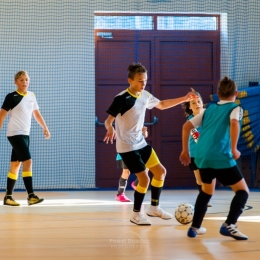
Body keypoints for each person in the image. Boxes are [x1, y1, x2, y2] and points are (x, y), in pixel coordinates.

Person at [104, 62, 198, 225]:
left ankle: (154, 208)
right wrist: (110, 128)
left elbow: (161, 105)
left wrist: (184, 98)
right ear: (130, 81)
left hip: (141, 143)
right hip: (127, 147)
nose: (143, 83)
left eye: (145, 80)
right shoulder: (121, 99)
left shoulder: (145, 95)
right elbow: (108, 120)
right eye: (140, 80)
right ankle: (135, 214)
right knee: (144, 180)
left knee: (160, 172)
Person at [179, 76, 249, 240]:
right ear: (236, 93)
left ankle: (194, 227)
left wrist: (185, 151)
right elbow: (234, 124)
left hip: (202, 156)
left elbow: (186, 126)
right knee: (243, 192)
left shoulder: (209, 109)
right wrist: (234, 148)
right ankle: (229, 224)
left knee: (206, 191)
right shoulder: (235, 108)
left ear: (218, 93)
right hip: (220, 155)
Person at [0, 71, 51, 206]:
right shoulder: (11, 97)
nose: (24, 82)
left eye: (26, 80)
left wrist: (45, 127)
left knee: (16, 165)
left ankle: (8, 197)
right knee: (28, 161)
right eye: (21, 80)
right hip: (14, 134)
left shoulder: (31, 96)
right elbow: (2, 116)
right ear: (16, 82)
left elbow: (36, 114)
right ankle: (31, 196)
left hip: (25, 135)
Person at [181, 89, 212, 207]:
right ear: (189, 107)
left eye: (199, 101)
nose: (197, 104)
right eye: (193, 103)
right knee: (199, 177)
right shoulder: (190, 120)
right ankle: (204, 198)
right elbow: (197, 137)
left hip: (208, 152)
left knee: (207, 176)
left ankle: (206, 196)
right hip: (195, 153)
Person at [115, 127, 147, 202]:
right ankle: (120, 194)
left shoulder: (137, 122)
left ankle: (136, 184)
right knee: (126, 172)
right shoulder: (124, 124)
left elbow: (144, 136)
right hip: (125, 151)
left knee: (145, 168)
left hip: (137, 151)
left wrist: (143, 133)